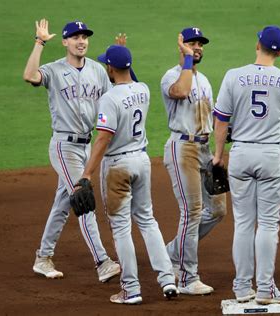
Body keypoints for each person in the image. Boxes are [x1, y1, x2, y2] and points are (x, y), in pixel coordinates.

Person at [22, 18, 120, 281]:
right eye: (75, 37)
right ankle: (102, 262)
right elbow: (30, 76)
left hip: (88, 146)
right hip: (64, 146)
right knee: (82, 198)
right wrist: (40, 42)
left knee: (63, 204)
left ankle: (43, 257)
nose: (81, 41)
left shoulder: (98, 71)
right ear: (65, 41)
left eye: (84, 37)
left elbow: (112, 100)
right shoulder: (53, 70)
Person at [79, 45, 178, 304]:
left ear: (110, 68)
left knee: (121, 227)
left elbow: (102, 138)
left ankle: (131, 289)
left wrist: (87, 173)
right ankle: (167, 278)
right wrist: (123, 56)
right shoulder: (142, 90)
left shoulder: (108, 99)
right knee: (147, 220)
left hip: (117, 168)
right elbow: (127, 75)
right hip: (142, 161)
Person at [212, 25, 280, 305]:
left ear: (257, 45)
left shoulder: (233, 76)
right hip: (271, 157)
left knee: (243, 224)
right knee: (267, 225)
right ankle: (265, 289)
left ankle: (241, 287)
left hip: (240, 153)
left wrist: (217, 155)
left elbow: (221, 119)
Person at [160, 27, 227, 295]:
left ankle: (171, 252)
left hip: (204, 149)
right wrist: (187, 60)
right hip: (182, 149)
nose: (197, 47)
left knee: (218, 210)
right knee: (192, 212)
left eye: (200, 44)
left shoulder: (206, 81)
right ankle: (188, 278)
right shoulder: (171, 76)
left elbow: (212, 117)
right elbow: (180, 91)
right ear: (181, 46)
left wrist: (218, 151)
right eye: (192, 43)